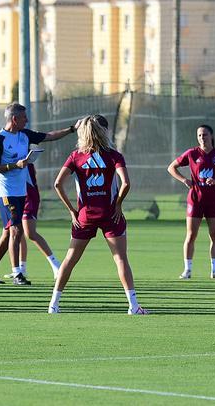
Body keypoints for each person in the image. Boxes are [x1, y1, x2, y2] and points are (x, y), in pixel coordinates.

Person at [48, 115, 146, 314]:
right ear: (104, 132)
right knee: (120, 259)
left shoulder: (76, 156)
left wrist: (72, 211)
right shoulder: (113, 155)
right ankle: (133, 306)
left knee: (69, 260)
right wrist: (118, 204)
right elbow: (126, 182)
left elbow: (57, 184)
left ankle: (53, 305)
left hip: (85, 216)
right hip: (111, 214)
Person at [0, 103, 75, 285]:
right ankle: (17, 274)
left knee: (8, 233)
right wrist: (14, 165)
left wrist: (72, 129)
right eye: (24, 117)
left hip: (21, 190)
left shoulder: (24, 135)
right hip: (6, 191)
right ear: (14, 119)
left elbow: (49, 136)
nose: (27, 120)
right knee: (16, 230)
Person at [167, 124, 215, 279]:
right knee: (191, 235)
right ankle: (187, 270)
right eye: (199, 135)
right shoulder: (192, 153)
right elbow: (171, 167)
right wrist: (184, 180)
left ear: (211, 136)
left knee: (214, 235)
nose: (202, 138)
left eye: (205, 134)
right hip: (195, 200)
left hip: (213, 202)